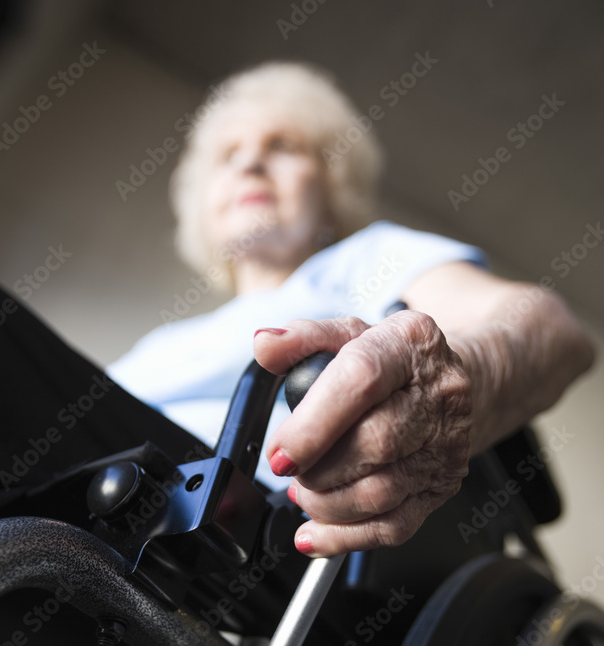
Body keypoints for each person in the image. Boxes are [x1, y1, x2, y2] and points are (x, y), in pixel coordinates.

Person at [107, 60, 596, 558]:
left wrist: (451, 390)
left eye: (283, 147)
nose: (250, 164)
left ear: (330, 191)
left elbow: (551, 328)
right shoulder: (160, 345)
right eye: (229, 155)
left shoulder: (364, 259)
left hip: (224, 534)